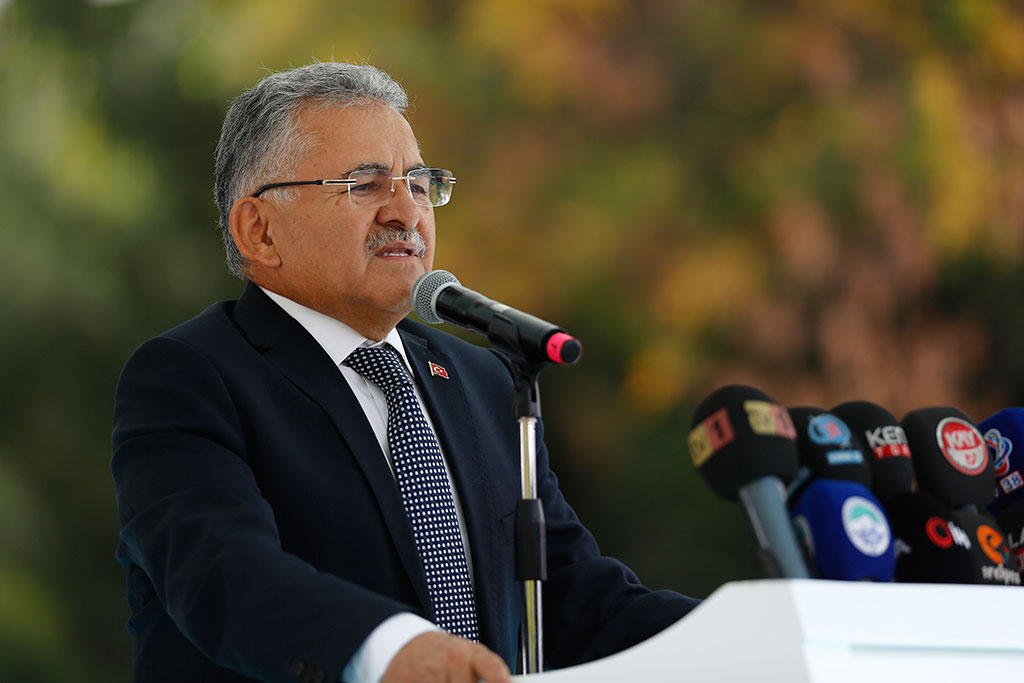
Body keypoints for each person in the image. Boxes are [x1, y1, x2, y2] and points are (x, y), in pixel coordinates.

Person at [111, 61, 699, 683]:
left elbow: (576, 597)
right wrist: (389, 646)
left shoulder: (486, 381)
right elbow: (223, 573)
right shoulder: (190, 377)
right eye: (366, 185)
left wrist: (744, 631)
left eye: (419, 183)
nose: (406, 211)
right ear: (259, 230)